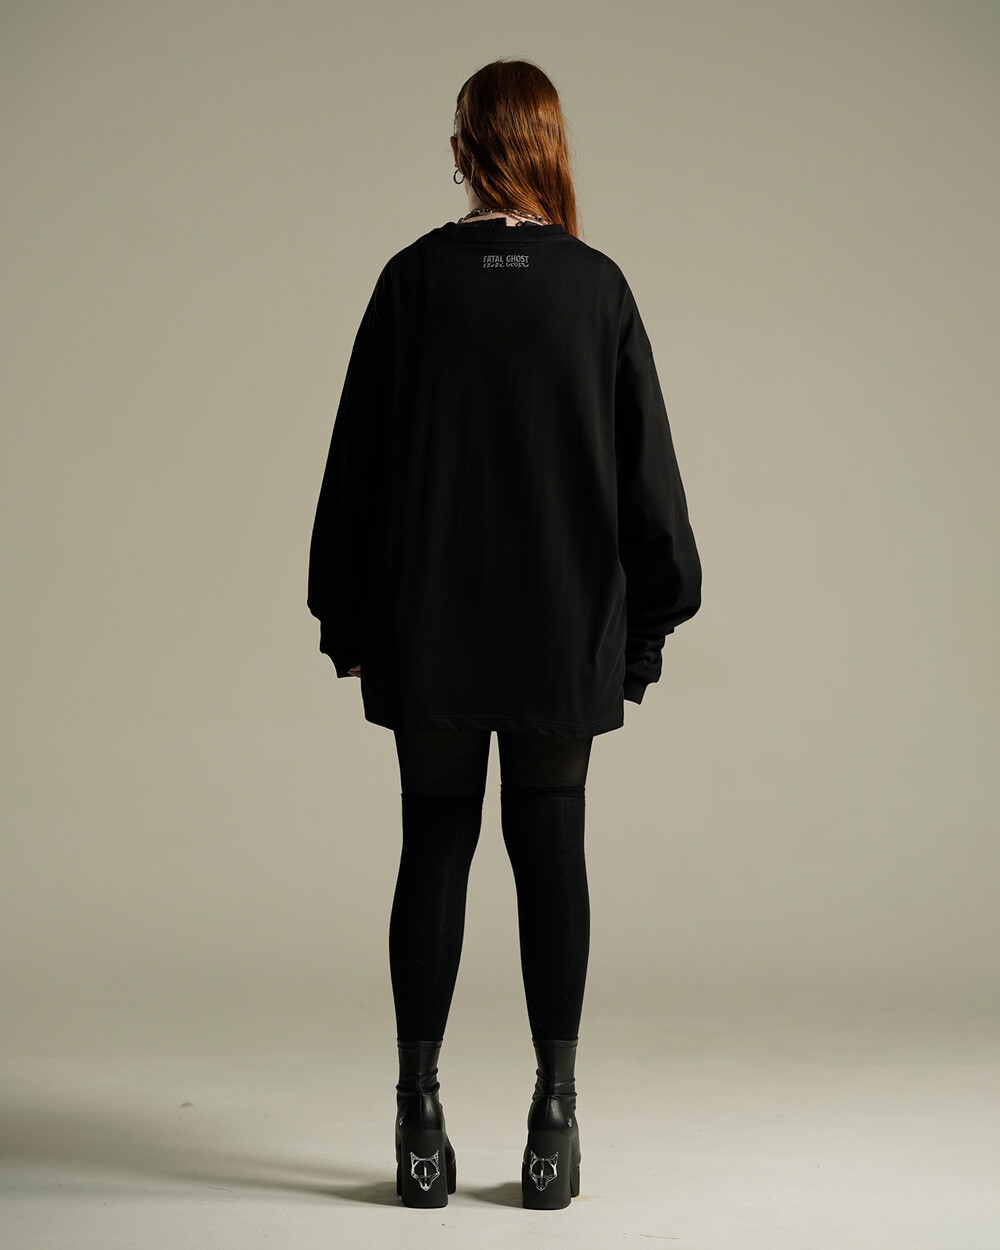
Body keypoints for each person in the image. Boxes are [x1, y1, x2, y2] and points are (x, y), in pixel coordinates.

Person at [307, 58, 702, 1211]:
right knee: (550, 845)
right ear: (549, 146)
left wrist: (348, 617)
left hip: (426, 626)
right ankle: (553, 1123)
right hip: (559, 629)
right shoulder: (596, 288)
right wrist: (647, 627)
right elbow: (649, 487)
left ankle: (417, 1120)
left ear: (462, 149)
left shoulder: (410, 283)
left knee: (433, 843)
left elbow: (354, 470)